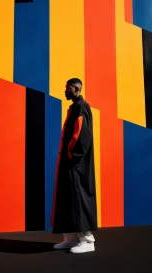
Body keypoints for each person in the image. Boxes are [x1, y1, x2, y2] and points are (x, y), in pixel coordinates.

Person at [50, 78, 97, 253]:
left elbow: (82, 137)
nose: (65, 91)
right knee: (67, 199)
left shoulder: (81, 107)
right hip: (69, 164)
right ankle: (70, 238)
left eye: (67, 88)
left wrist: (72, 157)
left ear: (75, 89)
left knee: (78, 200)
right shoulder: (75, 107)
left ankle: (87, 240)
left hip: (75, 165)